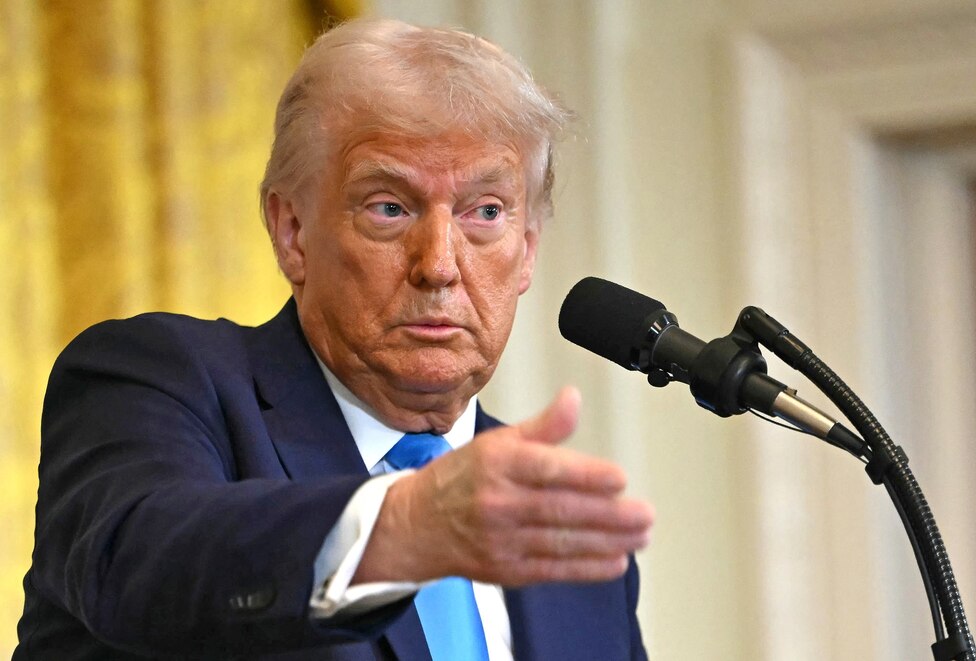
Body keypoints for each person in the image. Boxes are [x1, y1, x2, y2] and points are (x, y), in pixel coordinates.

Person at [15, 18, 654, 660]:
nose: (439, 264)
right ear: (291, 230)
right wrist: (403, 526)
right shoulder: (158, 383)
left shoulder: (573, 553)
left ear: (527, 252)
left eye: (485, 211)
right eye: (389, 208)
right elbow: (133, 564)